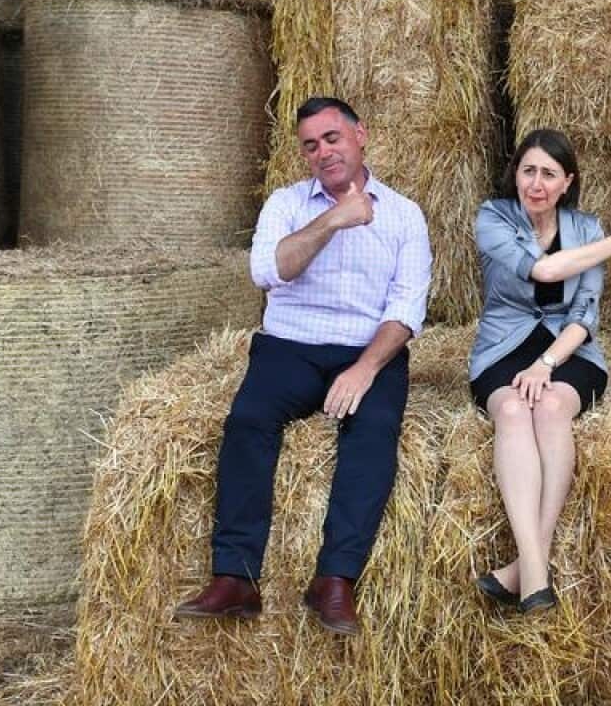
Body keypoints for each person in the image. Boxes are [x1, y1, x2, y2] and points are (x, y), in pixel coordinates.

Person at [174, 97, 432, 635]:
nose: (323, 152)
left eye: (332, 138)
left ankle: (335, 580)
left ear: (361, 134)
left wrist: (364, 369)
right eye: (310, 145)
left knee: (374, 432)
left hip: (368, 349)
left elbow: (407, 308)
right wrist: (335, 218)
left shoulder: (405, 215)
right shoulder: (287, 204)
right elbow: (267, 271)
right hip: (291, 345)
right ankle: (236, 578)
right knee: (248, 421)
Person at [468, 129, 611, 613]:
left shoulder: (586, 227)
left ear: (567, 182)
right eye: (528, 171)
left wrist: (548, 363)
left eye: (548, 173)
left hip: (570, 350)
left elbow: (585, 313)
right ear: (515, 174)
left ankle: (526, 569)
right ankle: (537, 569)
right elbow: (543, 270)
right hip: (503, 345)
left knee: (552, 406)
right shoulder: (493, 218)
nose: (536, 183)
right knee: (515, 412)